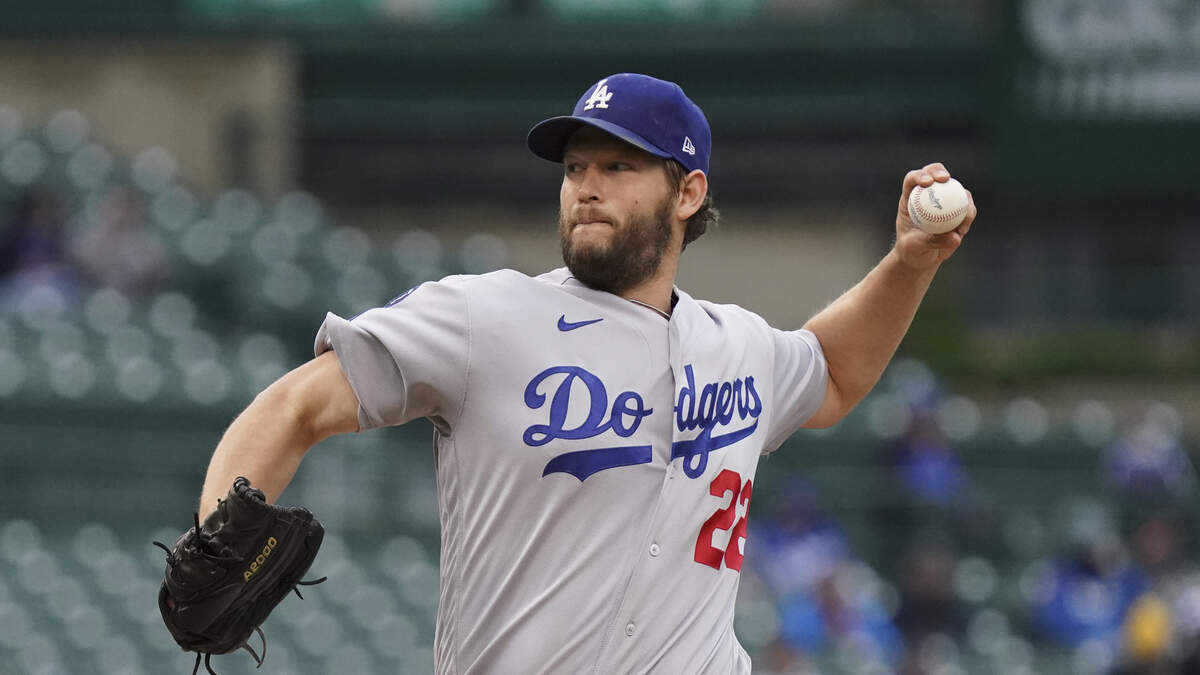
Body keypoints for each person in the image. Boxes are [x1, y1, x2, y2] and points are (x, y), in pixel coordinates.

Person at [195, 73, 977, 673]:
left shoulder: (737, 344)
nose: (586, 186)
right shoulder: (485, 317)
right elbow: (298, 403)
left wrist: (910, 263)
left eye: (618, 164)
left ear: (688, 190)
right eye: (575, 167)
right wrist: (214, 538)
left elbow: (835, 373)